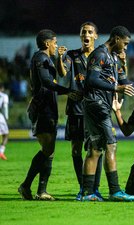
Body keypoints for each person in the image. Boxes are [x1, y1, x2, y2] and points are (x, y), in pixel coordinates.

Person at [82, 25, 134, 201]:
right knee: (111, 144)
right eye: (124, 43)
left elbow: (126, 81)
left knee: (96, 148)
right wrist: (115, 87)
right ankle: (115, 191)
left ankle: (87, 193)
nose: (125, 47)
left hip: (100, 104)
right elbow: (91, 79)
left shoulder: (113, 58)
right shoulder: (100, 54)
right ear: (116, 39)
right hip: (95, 103)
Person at [18, 29, 79, 200]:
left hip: (47, 108)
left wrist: (64, 90)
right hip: (43, 109)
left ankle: (39, 191)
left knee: (49, 151)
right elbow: (45, 82)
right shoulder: (40, 58)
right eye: (55, 42)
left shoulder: (47, 59)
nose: (56, 45)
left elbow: (51, 84)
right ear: (47, 43)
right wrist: (67, 91)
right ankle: (27, 186)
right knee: (47, 149)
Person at [57, 22, 103, 201]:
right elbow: (62, 73)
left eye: (90, 32)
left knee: (96, 150)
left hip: (94, 109)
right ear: (80, 35)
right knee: (76, 151)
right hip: (76, 109)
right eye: (84, 31)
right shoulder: (71, 55)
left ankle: (95, 188)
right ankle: (83, 187)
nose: (87, 34)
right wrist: (58, 58)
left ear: (95, 36)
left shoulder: (101, 56)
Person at [0, 83, 9, 160]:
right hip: (0, 117)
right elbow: (5, 107)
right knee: (5, 134)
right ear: (2, 88)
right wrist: (6, 117)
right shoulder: (3, 96)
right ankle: (1, 152)